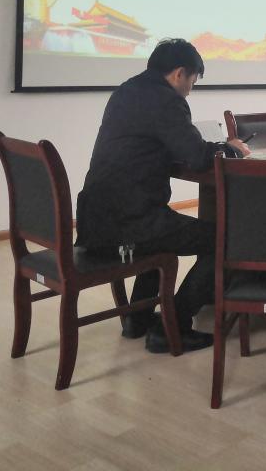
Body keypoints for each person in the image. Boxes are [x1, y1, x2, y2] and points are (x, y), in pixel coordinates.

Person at [76, 38, 249, 353]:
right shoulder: (166, 100)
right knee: (226, 239)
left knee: (163, 233)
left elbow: (151, 144)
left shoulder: (126, 91)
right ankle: (173, 325)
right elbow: (197, 157)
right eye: (192, 82)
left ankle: (138, 319)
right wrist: (230, 149)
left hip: (95, 220)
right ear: (179, 73)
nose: (190, 91)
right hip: (132, 222)